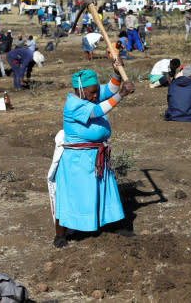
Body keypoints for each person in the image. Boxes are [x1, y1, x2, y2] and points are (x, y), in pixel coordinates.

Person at [52, 63, 136, 248]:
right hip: (77, 161)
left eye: (96, 91)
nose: (96, 96)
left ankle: (114, 225)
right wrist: (121, 94)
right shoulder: (74, 104)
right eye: (92, 92)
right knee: (72, 196)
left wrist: (116, 71)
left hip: (97, 157)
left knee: (106, 192)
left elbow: (110, 89)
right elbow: (97, 111)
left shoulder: (90, 96)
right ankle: (60, 236)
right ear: (80, 90)